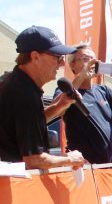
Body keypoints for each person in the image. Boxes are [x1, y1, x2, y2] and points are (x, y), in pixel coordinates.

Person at [0, 25, 84, 169]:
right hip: (14, 181)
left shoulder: (16, 83)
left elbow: (26, 125)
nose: (62, 63)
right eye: (57, 57)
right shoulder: (24, 93)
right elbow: (34, 160)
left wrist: (59, 106)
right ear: (35, 56)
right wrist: (70, 159)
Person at [59, 45, 112, 164]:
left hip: (106, 166)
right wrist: (82, 76)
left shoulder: (104, 91)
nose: (91, 63)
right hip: (81, 166)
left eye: (93, 59)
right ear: (72, 64)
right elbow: (59, 107)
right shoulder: (66, 90)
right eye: (85, 58)